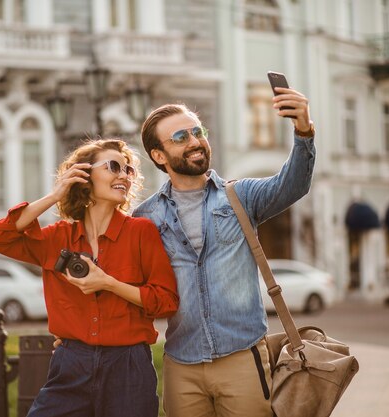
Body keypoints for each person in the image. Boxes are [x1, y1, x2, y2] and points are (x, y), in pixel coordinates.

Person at [131, 87, 315, 417]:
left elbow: (293, 184)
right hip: (181, 364)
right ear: (159, 155)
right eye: (180, 137)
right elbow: (128, 278)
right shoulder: (146, 216)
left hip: (242, 357)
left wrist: (303, 129)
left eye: (197, 132)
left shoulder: (239, 196)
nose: (194, 141)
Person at [0, 138, 179, 417]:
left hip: (127, 366)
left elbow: (166, 301)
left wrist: (108, 284)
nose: (123, 176)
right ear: (85, 175)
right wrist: (55, 195)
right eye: (114, 166)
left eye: (129, 170)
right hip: (71, 363)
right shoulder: (57, 237)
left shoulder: (140, 232)